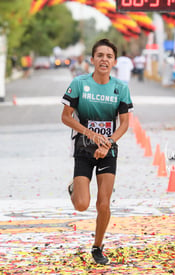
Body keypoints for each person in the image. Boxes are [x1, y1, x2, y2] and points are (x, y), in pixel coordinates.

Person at [61, 38, 133, 264]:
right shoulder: (79, 84)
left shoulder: (121, 88)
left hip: (108, 149)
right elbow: (65, 117)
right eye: (100, 55)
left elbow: (124, 124)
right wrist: (90, 134)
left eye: (109, 56)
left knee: (104, 203)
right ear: (92, 60)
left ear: (114, 62)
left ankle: (97, 246)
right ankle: (74, 187)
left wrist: (108, 142)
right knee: (82, 204)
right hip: (84, 147)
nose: (104, 59)